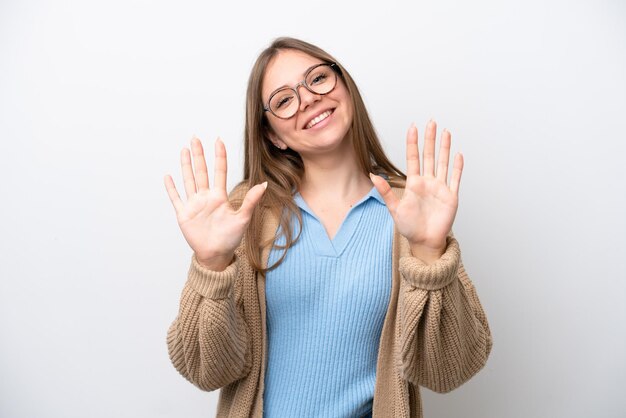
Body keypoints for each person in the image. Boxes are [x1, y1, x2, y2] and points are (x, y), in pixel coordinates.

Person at [164, 37, 492, 418]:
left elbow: (450, 371)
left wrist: (431, 252)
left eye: (317, 79)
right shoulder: (242, 215)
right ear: (272, 134)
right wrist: (212, 263)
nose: (307, 99)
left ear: (344, 86)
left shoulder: (410, 211)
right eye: (284, 100)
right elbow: (205, 371)